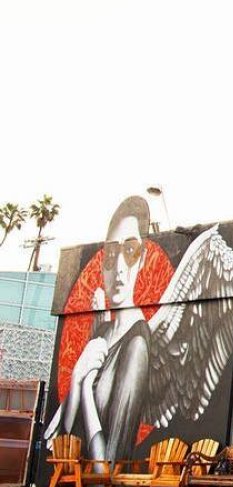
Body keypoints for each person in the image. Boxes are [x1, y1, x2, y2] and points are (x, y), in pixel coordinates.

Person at [48, 196, 155, 461]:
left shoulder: (137, 345)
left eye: (130, 251)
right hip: (75, 476)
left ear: (143, 258)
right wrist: (76, 378)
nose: (118, 268)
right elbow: (64, 441)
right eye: (111, 254)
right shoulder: (103, 332)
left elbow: (107, 463)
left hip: (102, 481)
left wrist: (85, 387)